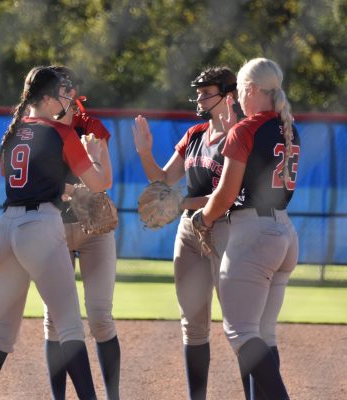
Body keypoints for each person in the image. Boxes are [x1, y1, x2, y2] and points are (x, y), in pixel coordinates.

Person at [0, 66, 111, 400]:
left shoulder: (16, 130)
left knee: (2, 333)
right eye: (63, 94)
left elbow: (24, 175)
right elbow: (99, 185)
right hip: (40, 228)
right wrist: (97, 156)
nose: (68, 99)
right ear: (47, 99)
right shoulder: (61, 133)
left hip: (4, 230)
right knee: (69, 327)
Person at [132, 67, 239, 400]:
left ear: (229, 96)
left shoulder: (241, 135)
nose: (199, 97)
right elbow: (163, 179)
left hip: (226, 228)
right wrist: (145, 152)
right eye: (199, 91)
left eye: (207, 92)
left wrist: (182, 202)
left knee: (239, 324)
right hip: (189, 231)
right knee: (193, 325)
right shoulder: (195, 134)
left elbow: (229, 193)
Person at [196, 57, 300, 399]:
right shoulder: (288, 126)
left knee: (241, 333)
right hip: (284, 233)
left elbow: (226, 193)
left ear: (252, 89)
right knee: (263, 335)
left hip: (252, 236)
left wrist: (204, 218)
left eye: (241, 89)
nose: (239, 97)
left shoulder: (245, 128)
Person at [42, 65, 120, 400]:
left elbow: (105, 180)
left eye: (72, 91)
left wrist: (93, 159)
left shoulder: (90, 127)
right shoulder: (38, 129)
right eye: (63, 90)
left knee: (100, 317)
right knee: (54, 320)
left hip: (93, 229)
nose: (70, 97)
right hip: (53, 228)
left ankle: (113, 396)